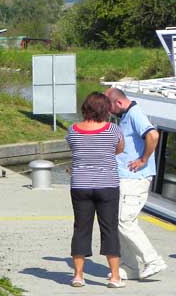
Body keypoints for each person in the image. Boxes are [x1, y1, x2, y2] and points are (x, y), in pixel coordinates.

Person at [105, 88, 167, 280]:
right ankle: (130, 267)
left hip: (135, 179)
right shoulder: (126, 115)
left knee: (125, 221)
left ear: (119, 103)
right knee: (118, 223)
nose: (109, 112)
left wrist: (143, 159)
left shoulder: (135, 114)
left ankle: (153, 260)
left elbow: (153, 135)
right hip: (126, 178)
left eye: (110, 108)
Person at [66, 92, 124, 288]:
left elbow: (75, 149)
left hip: (80, 185)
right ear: (105, 109)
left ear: (85, 108)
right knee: (109, 229)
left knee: (81, 229)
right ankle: (115, 277)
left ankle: (78, 276)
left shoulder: (73, 130)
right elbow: (119, 149)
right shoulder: (113, 130)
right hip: (107, 184)